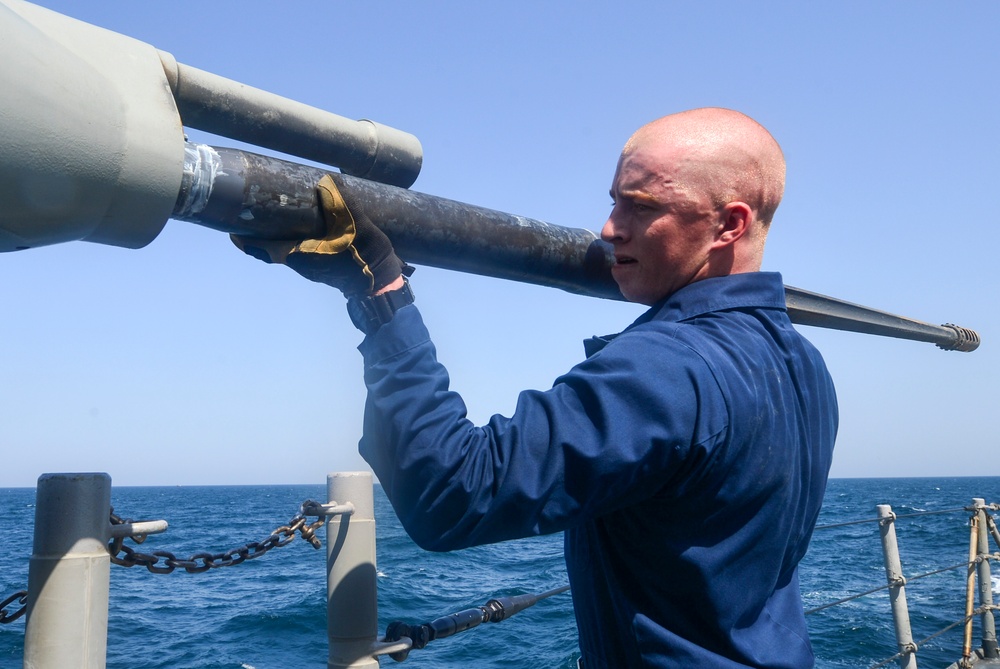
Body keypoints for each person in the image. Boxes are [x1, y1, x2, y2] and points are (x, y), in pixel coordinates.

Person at [233, 107, 839, 668]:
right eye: (613, 203)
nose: (609, 228)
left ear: (728, 225)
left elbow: (451, 492)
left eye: (640, 207)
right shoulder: (803, 364)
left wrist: (378, 293)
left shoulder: (668, 367)